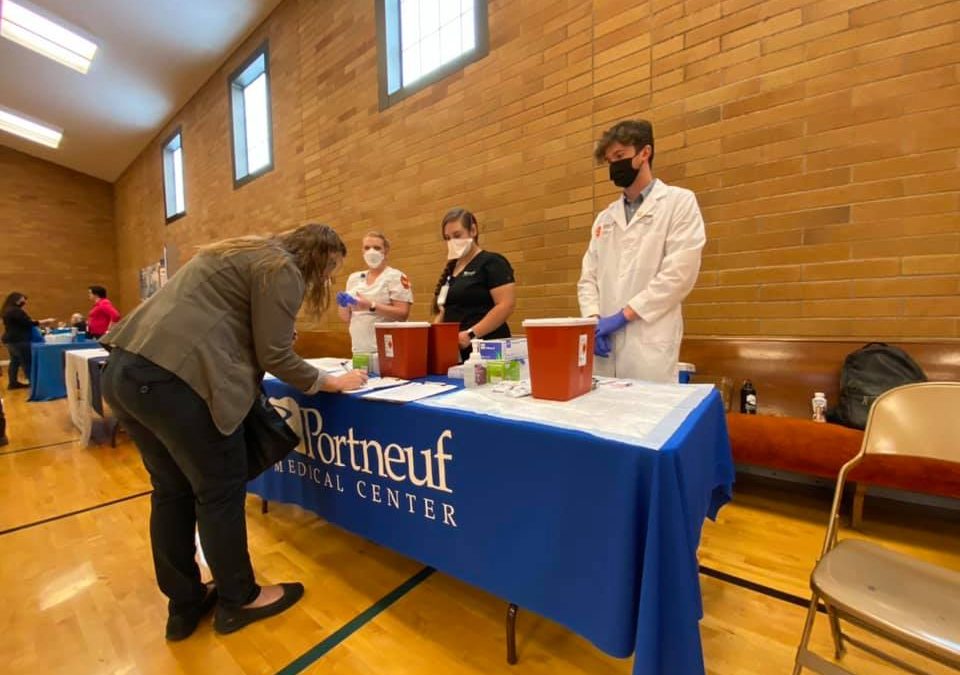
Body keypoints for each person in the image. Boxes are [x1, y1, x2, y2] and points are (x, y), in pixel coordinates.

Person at [99, 224, 368, 641]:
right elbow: (274, 354)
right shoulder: (283, 269)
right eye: (330, 268)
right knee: (218, 490)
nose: (327, 278)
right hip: (178, 382)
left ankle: (184, 605)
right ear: (319, 257)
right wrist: (328, 382)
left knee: (172, 491)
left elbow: (221, 324)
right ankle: (239, 599)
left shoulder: (238, 252)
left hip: (125, 372)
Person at [577, 119, 705, 383]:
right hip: (604, 346)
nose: (614, 166)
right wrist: (593, 321)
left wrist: (623, 316)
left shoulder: (678, 202)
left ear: (644, 153)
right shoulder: (605, 219)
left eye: (620, 156)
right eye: (610, 160)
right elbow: (587, 278)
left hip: (649, 344)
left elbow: (679, 275)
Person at [431, 208, 516, 360]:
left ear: (473, 230)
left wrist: (470, 333)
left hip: (486, 347)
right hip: (456, 350)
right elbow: (443, 311)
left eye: (457, 235)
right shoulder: (452, 270)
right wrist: (433, 337)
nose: (452, 242)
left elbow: (505, 305)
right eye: (448, 238)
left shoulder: (492, 262)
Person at [336, 231, 413, 354]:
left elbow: (403, 314)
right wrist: (343, 304)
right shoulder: (354, 278)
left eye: (377, 248)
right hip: (359, 349)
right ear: (362, 251)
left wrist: (370, 305)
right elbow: (346, 318)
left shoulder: (396, 277)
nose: (371, 251)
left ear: (386, 251)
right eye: (367, 248)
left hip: (387, 351)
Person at [1, 292, 54, 389]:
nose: (24, 301)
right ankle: (33, 383)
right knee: (26, 361)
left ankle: (13, 382)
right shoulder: (16, 311)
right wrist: (45, 321)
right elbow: (28, 323)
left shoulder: (6, 310)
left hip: (9, 340)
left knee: (15, 361)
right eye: (23, 299)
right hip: (19, 340)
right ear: (17, 300)